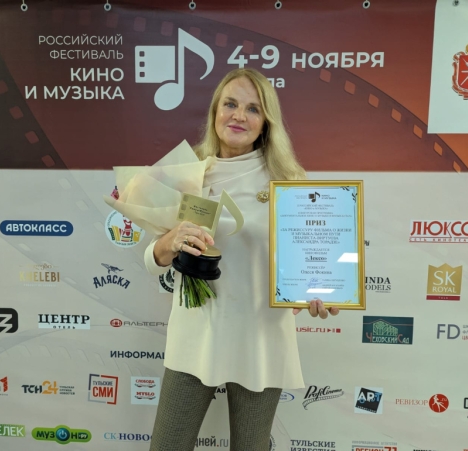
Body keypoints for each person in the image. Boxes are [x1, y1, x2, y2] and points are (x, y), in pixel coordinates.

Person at [144, 68, 339, 451]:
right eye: (230, 104)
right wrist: (169, 240)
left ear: (266, 122)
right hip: (195, 335)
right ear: (215, 111)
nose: (238, 116)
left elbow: (312, 264)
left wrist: (320, 291)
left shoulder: (289, 181)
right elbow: (153, 259)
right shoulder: (188, 172)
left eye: (253, 109)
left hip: (261, 339)